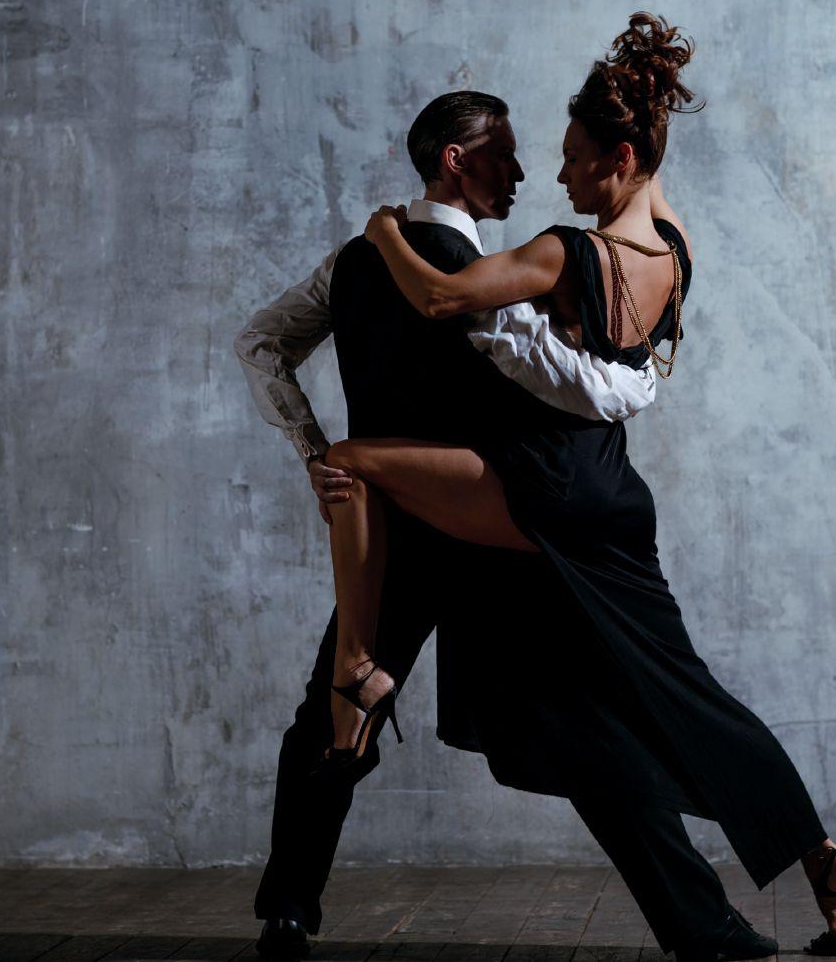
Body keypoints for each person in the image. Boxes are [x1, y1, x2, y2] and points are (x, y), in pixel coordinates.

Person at [315, 12, 836, 960]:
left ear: (622, 156)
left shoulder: (566, 252)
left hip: (549, 488)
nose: (561, 176)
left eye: (577, 158)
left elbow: (441, 296)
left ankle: (356, 669)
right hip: (613, 496)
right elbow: (616, 370)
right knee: (680, 698)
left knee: (349, 456)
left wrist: (383, 228)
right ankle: (825, 863)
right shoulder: (675, 244)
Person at [234, 90, 661, 957]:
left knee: (332, 708)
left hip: (388, 535)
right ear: (455, 161)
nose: (521, 168)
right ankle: (698, 899)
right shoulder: (483, 279)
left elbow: (259, 342)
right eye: (501, 151)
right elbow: (566, 385)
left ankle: (289, 909)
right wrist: (641, 377)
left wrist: (317, 451)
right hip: (491, 526)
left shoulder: (356, 260)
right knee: (592, 716)